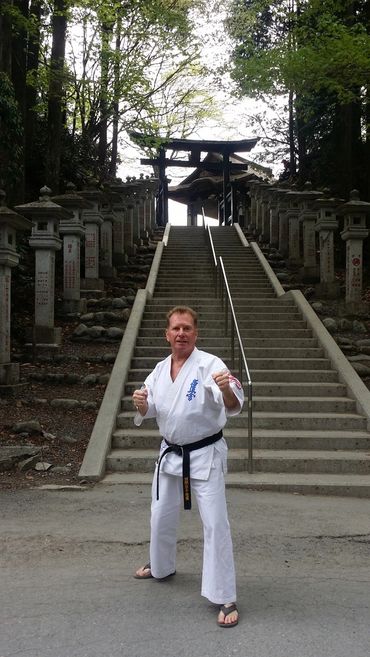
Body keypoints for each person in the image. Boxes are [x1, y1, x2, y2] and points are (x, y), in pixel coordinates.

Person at [132, 305, 244, 628]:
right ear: (167, 334)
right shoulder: (159, 368)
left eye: (187, 328)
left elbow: (234, 403)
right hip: (170, 455)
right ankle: (160, 564)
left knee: (215, 523)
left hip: (204, 454)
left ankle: (224, 594)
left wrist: (225, 390)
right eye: (175, 329)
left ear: (196, 333)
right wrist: (142, 404)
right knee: (160, 515)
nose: (181, 333)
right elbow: (151, 406)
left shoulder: (210, 365)